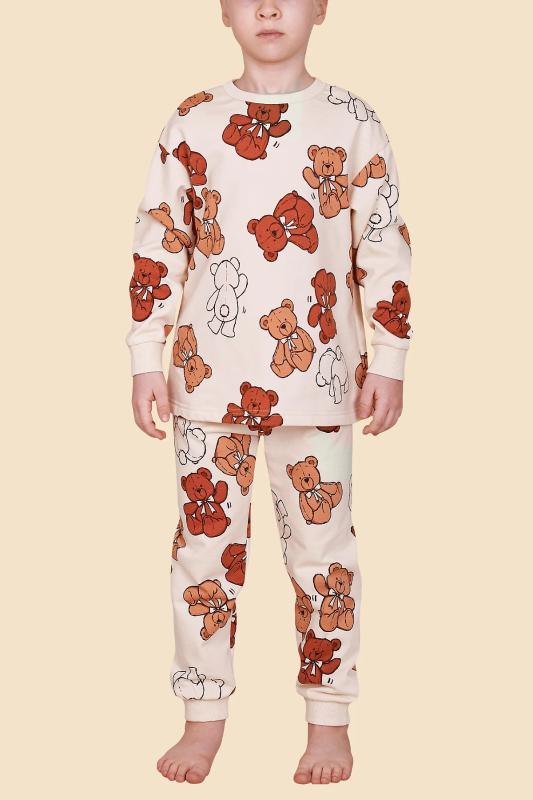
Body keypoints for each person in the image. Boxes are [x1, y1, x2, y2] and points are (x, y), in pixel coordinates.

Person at [125, 0, 413, 785]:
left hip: (320, 386)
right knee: (202, 556)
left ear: (320, 7)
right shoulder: (191, 120)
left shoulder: (352, 121)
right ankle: (202, 716)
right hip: (204, 384)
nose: (268, 7)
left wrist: (389, 359)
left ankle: (328, 721)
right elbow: (160, 241)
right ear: (223, 11)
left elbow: (381, 244)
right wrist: (145, 355)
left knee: (324, 556)